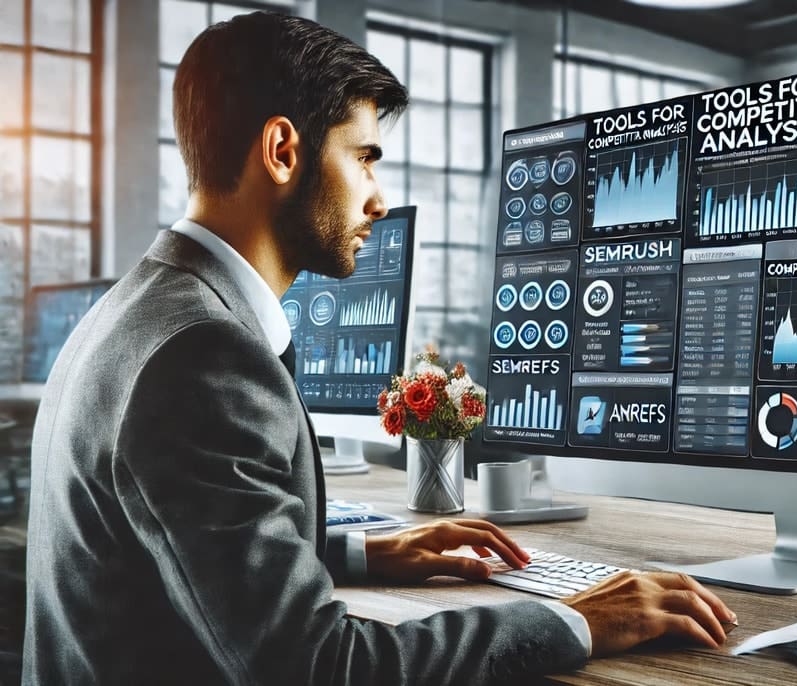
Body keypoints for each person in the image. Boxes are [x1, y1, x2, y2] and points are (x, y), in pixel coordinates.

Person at [21, 11, 735, 685]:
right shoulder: (204, 356)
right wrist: (574, 620)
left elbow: (175, 541)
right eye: (363, 158)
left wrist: (364, 550)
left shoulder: (137, 310)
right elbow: (320, 666)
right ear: (282, 151)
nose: (379, 199)